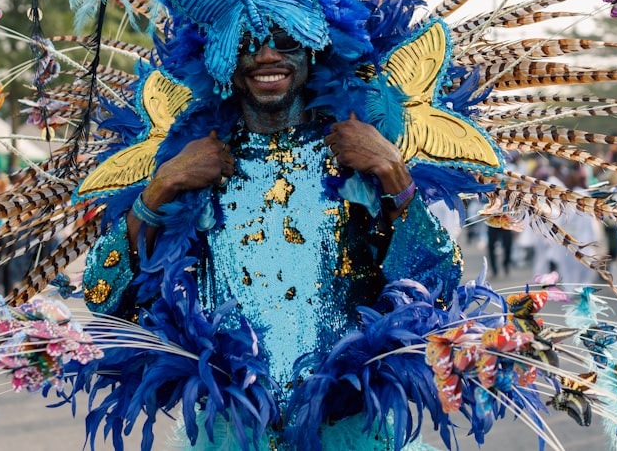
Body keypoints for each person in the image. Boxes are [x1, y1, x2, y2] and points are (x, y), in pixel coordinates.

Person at [83, 22, 461, 450]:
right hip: (230, 435)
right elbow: (102, 293)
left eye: (286, 41)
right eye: (247, 42)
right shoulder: (192, 159)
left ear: (315, 50)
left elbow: (439, 287)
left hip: (351, 432)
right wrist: (162, 185)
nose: (267, 56)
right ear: (224, 57)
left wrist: (393, 171)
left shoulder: (359, 156)